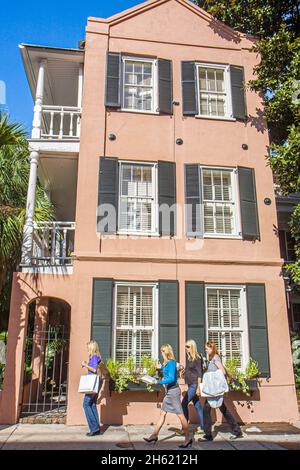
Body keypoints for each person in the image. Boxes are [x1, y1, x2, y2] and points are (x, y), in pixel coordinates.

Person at [144, 344, 193, 449]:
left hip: (173, 392)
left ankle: (188, 438)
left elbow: (171, 379)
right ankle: (154, 435)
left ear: (166, 352)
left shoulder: (171, 363)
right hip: (169, 392)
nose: (161, 353)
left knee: (180, 415)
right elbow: (168, 371)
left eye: (162, 351)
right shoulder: (167, 363)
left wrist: (158, 381)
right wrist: (160, 367)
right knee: (162, 414)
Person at [201, 341, 243, 441]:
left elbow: (222, 371)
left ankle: (208, 435)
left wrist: (213, 375)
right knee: (222, 409)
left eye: (207, 348)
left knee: (207, 410)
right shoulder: (212, 359)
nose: (206, 350)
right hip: (214, 390)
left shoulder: (215, 358)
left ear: (212, 348)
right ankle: (237, 431)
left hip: (215, 389)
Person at [81, 340, 103, 437]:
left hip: (93, 382)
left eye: (88, 349)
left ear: (92, 348)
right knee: (92, 404)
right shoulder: (96, 357)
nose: (87, 351)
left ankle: (94, 428)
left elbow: (94, 370)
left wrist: (85, 365)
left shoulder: (94, 356)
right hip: (96, 382)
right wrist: (87, 364)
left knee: (86, 404)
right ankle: (96, 428)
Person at [181, 339, 204, 431]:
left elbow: (199, 374)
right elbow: (190, 371)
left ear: (192, 347)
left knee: (183, 404)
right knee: (197, 406)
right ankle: (203, 427)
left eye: (188, 347)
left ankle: (185, 427)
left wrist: (198, 387)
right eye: (185, 346)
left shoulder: (197, 358)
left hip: (194, 385)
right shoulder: (189, 358)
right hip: (190, 384)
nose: (186, 348)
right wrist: (183, 372)